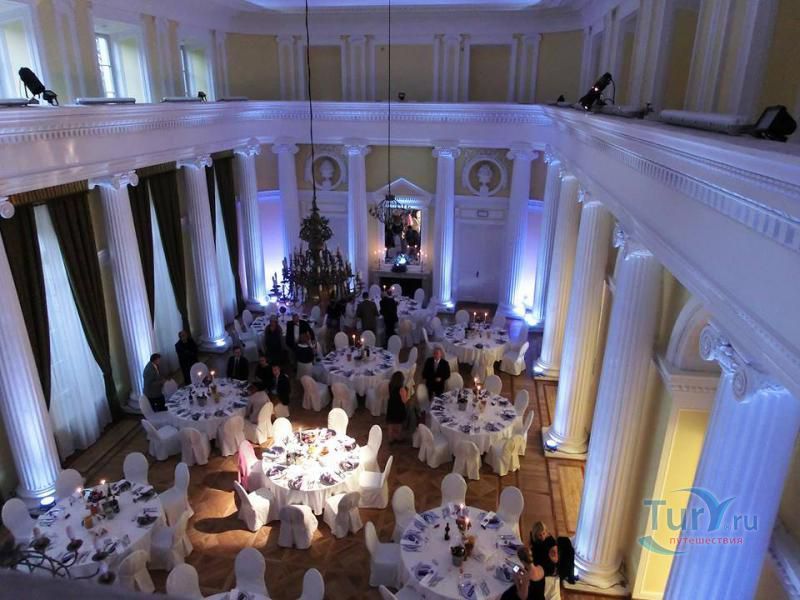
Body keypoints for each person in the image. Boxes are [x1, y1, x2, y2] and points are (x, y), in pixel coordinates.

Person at [386, 371, 409, 444]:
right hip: (399, 408)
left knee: (391, 423)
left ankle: (390, 439)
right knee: (398, 424)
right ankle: (398, 437)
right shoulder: (402, 389)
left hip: (391, 406)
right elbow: (404, 400)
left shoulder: (390, 385)